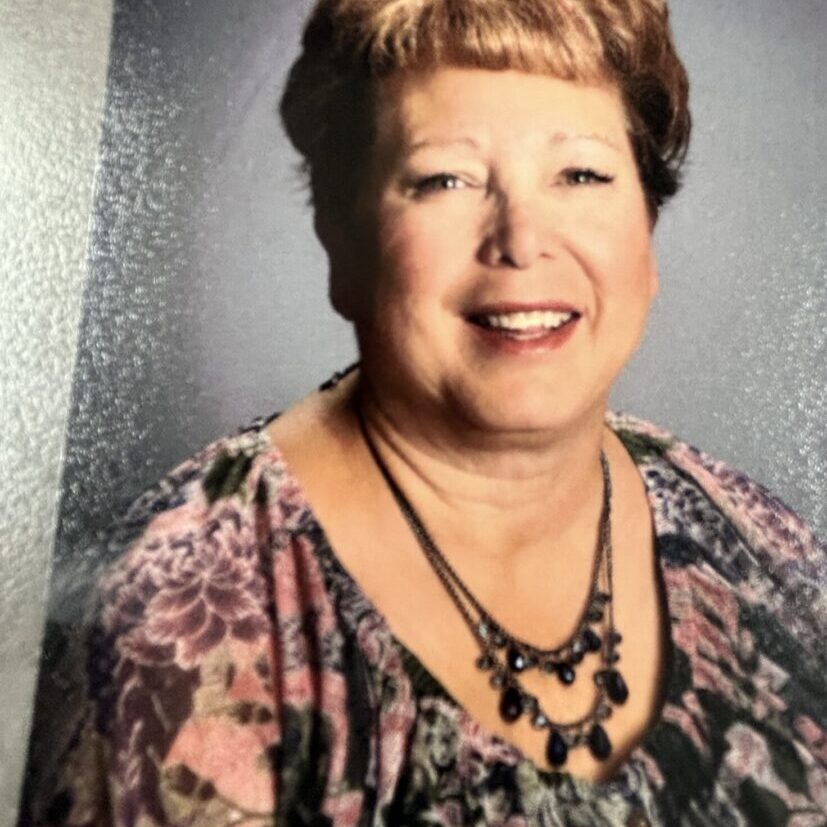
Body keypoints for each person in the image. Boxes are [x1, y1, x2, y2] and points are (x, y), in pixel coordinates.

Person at [20, 0, 826, 825]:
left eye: (580, 174)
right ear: (343, 238)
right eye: (446, 179)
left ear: (647, 232)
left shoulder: (763, 542)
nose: (521, 241)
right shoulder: (183, 624)